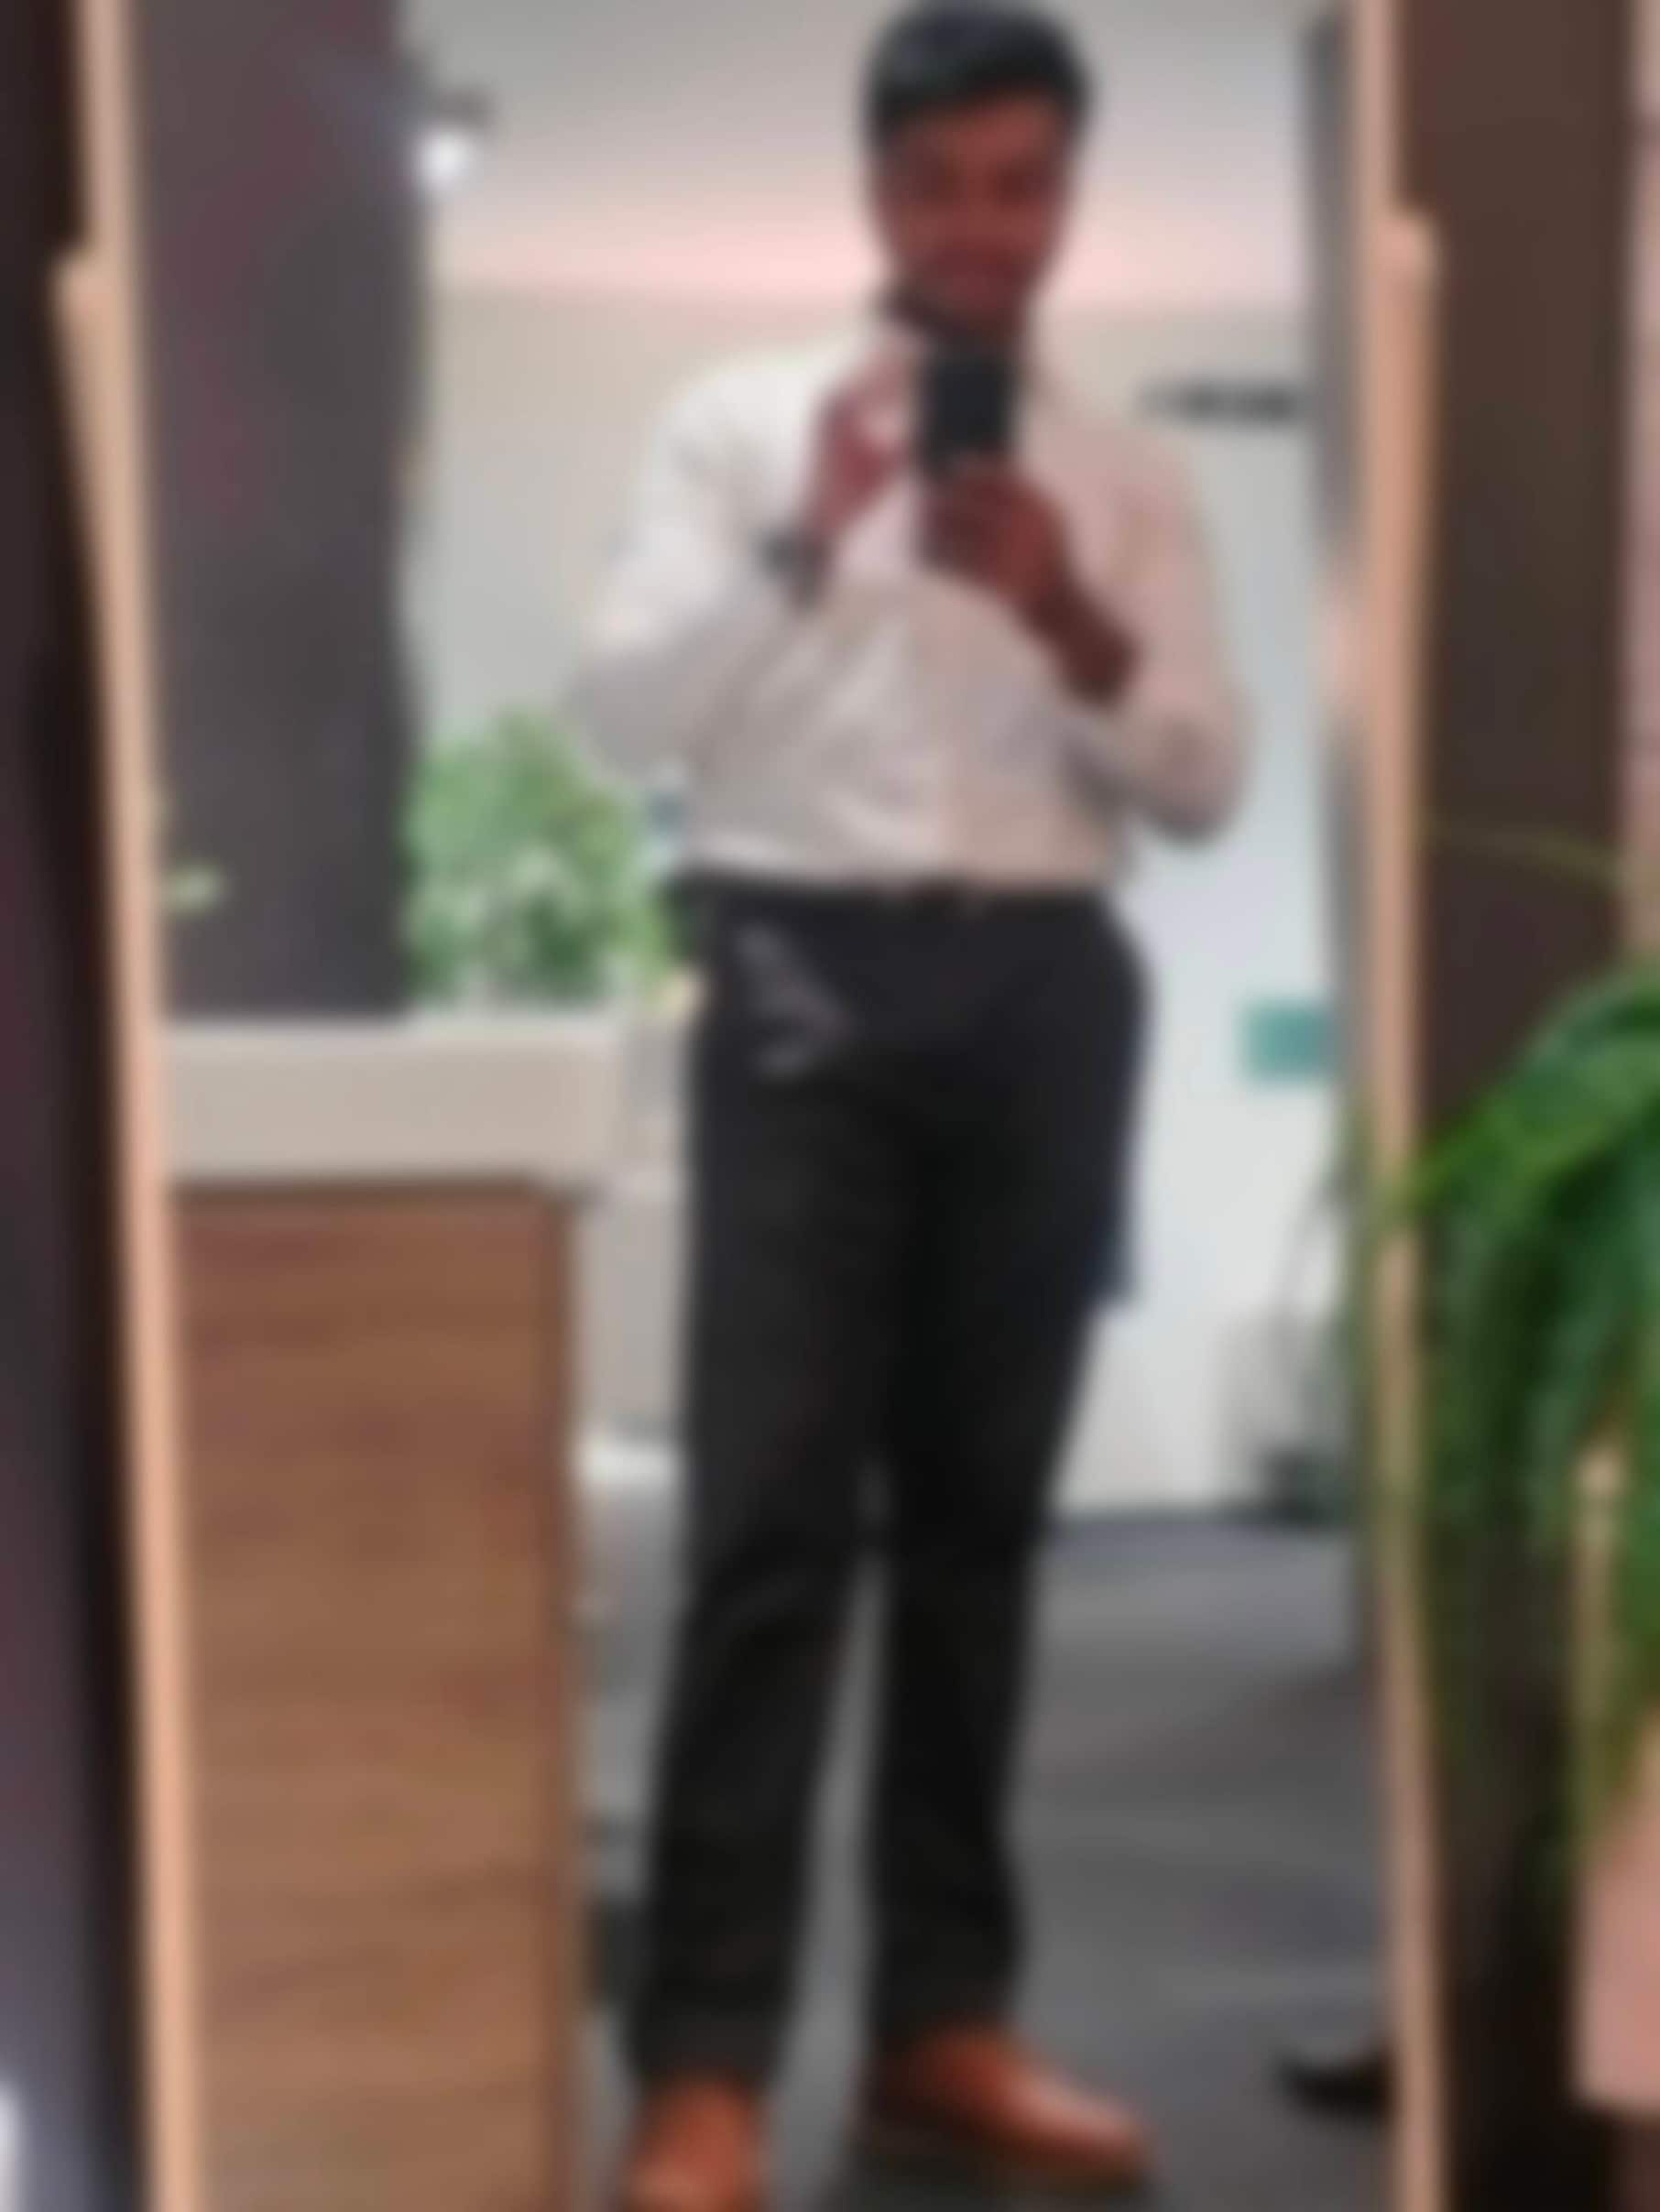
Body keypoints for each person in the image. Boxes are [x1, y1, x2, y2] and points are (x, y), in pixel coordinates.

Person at [571, 8, 1245, 2206]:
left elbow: (1209, 779)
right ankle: (703, 2063)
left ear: (1065, 201)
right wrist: (807, 539)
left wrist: (1071, 615)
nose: (981, 228)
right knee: (768, 1529)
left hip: (1044, 983)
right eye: (942, 183)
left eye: (1021, 185)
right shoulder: (737, 427)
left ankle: (941, 2024)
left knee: (979, 1532)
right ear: (878, 193)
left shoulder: (1126, 477)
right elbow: (614, 718)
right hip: (803, 972)